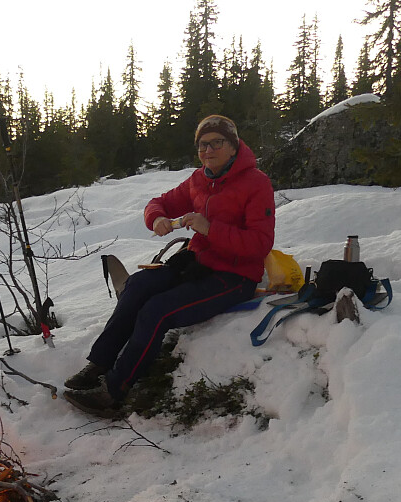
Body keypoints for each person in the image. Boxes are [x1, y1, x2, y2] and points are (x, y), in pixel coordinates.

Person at [63, 114, 275, 418]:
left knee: (157, 310)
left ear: (234, 146)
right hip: (197, 263)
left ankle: (115, 391)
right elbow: (157, 202)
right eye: (203, 144)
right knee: (137, 286)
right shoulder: (199, 180)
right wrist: (158, 218)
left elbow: (260, 244)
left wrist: (209, 228)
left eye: (217, 143)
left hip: (235, 275)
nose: (208, 150)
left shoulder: (256, 183)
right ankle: (100, 363)